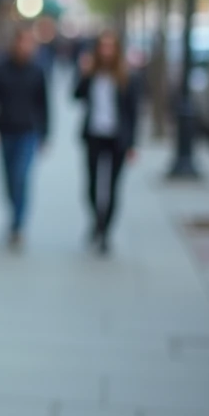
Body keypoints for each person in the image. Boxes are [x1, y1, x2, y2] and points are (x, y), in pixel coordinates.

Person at [0, 24, 49, 249]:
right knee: (9, 179)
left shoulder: (37, 70)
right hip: (5, 129)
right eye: (22, 41)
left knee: (21, 176)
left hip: (28, 131)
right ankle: (14, 212)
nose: (25, 46)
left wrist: (46, 133)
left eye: (29, 42)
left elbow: (44, 104)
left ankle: (18, 225)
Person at [74, 29, 138, 255]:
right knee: (91, 186)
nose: (107, 51)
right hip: (93, 135)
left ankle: (105, 232)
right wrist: (82, 73)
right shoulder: (91, 72)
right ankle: (97, 221)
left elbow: (133, 112)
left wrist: (132, 144)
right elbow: (76, 96)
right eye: (103, 46)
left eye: (111, 46)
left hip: (117, 138)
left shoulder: (126, 76)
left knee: (112, 187)